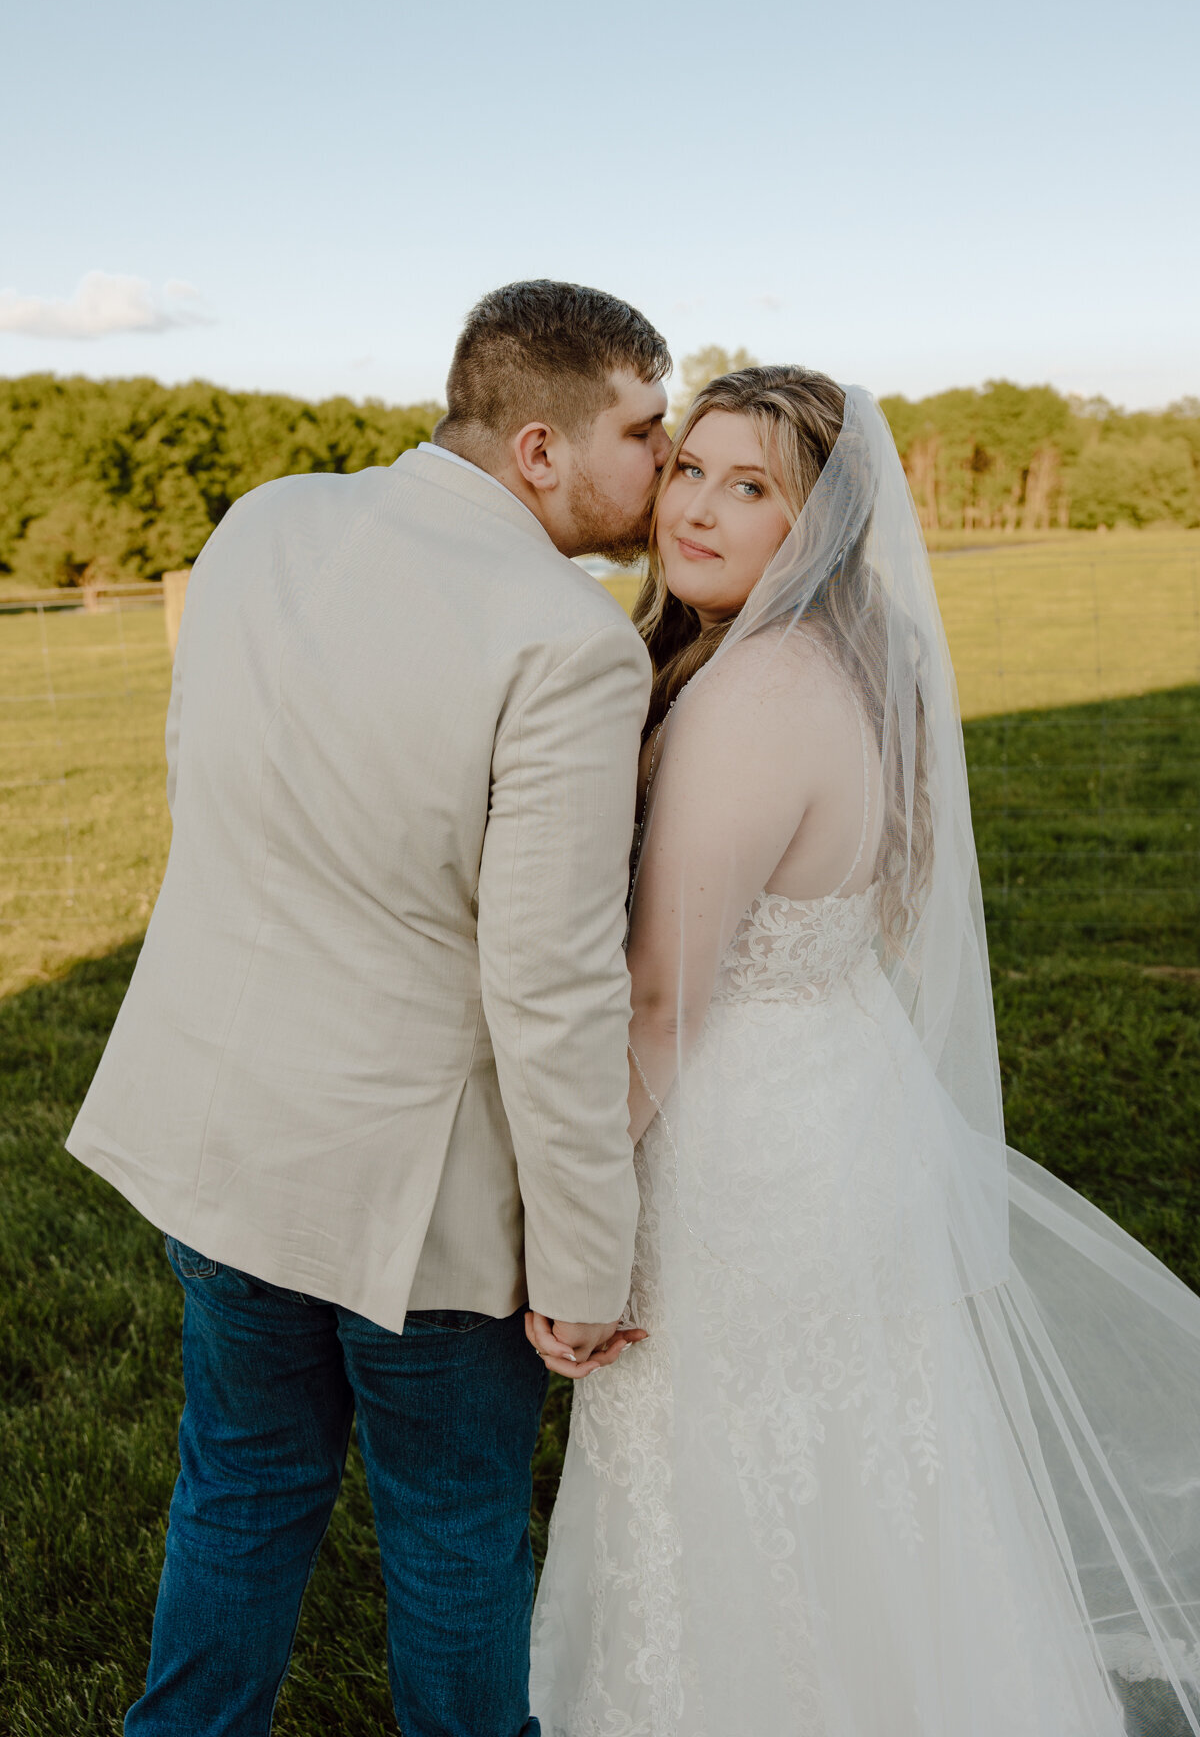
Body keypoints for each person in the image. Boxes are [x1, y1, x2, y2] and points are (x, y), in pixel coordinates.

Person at [529, 367, 1200, 1736]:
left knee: (738, 1490)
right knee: (866, 1485)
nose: (696, 509)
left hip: (747, 1152)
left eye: (751, 486)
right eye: (691, 469)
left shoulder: (750, 693)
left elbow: (662, 999)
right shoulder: (860, 657)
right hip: (843, 1102)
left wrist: (573, 1229)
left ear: (818, 524)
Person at [65, 280, 671, 1737]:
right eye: (646, 430)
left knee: (242, 1487)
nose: (665, 462)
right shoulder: (572, 645)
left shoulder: (268, 518)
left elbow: (205, 773)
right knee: (455, 1535)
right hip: (417, 1199)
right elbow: (551, 983)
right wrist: (589, 1257)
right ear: (541, 447)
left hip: (218, 1132)